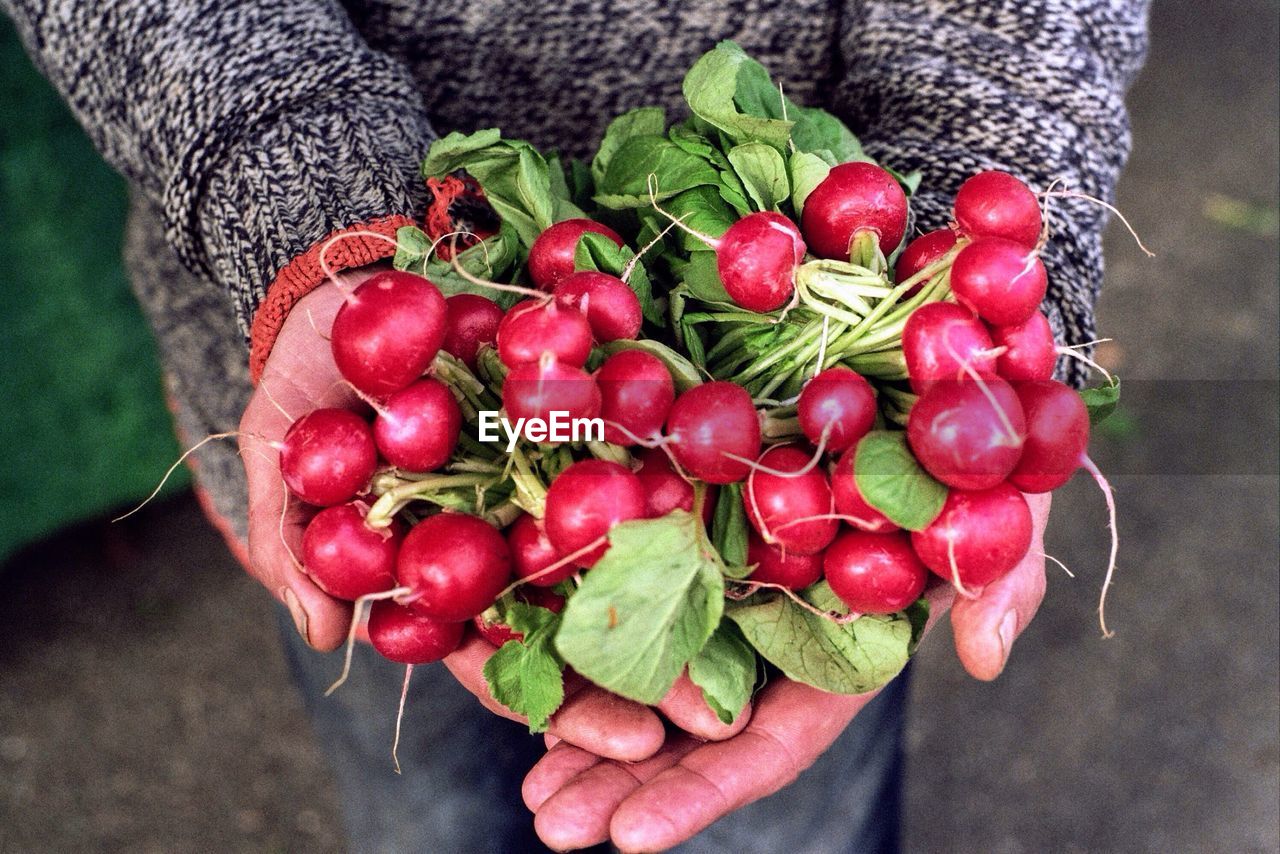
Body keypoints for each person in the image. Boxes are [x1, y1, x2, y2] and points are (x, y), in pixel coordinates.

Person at [3, 1, 1148, 850]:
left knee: (781, 812)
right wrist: (309, 217)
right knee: (426, 801)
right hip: (303, 317)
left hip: (769, 422)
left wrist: (970, 180)